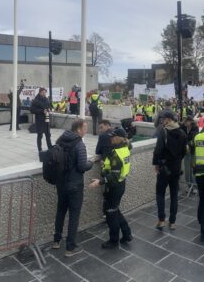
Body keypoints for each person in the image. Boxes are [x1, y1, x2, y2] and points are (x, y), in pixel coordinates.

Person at [52, 120, 93, 257]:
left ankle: (56, 241)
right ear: (78, 129)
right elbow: (82, 166)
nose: (86, 130)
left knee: (61, 211)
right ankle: (70, 248)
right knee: (74, 215)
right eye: (85, 128)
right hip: (75, 185)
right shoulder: (79, 144)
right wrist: (91, 163)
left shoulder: (61, 140)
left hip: (61, 184)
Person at [89, 132, 133, 249]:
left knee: (110, 213)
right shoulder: (125, 149)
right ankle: (127, 233)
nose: (111, 139)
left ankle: (114, 241)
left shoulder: (116, 154)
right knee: (115, 210)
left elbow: (113, 176)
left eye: (113, 137)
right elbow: (113, 170)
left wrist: (100, 181)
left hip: (114, 187)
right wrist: (104, 172)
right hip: (120, 184)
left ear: (119, 138)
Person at [152, 111, 188, 231]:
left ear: (168, 120)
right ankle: (172, 222)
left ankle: (161, 221)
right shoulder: (182, 133)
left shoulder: (164, 131)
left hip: (164, 167)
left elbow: (158, 150)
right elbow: (184, 151)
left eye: (163, 119)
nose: (162, 121)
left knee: (160, 194)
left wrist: (156, 164)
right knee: (174, 195)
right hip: (176, 168)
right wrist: (177, 161)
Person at [31, 88, 53, 152]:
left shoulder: (46, 99)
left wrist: (49, 109)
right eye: (43, 92)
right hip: (40, 120)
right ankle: (40, 149)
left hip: (46, 120)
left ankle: (50, 147)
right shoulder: (35, 100)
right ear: (40, 92)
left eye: (45, 92)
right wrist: (42, 111)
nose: (44, 93)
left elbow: (49, 106)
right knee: (40, 135)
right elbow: (32, 110)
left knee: (48, 134)